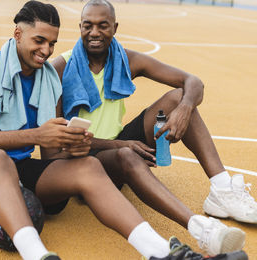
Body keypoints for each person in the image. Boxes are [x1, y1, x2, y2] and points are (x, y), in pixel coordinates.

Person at [0, 1, 246, 260]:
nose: (46, 50)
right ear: (18, 33)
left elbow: (51, 156)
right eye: (38, 41)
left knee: (87, 167)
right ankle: (39, 255)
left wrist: (73, 145)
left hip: (17, 169)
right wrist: (37, 135)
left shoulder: (46, 77)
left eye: (52, 43)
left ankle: (162, 252)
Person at [51, 0, 255, 256]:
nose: (94, 32)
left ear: (114, 27)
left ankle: (222, 188)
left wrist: (184, 108)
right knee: (126, 153)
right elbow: (58, 146)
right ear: (79, 27)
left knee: (178, 98)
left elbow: (192, 82)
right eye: (88, 25)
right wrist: (120, 145)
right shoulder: (60, 68)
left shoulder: (125, 59)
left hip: (116, 145)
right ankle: (201, 229)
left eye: (103, 26)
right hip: (82, 157)